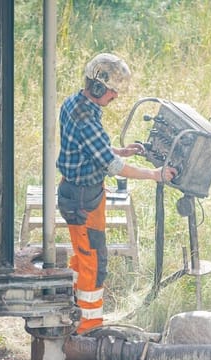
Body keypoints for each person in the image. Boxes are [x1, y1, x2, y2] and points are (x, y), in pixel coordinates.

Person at [57, 52, 177, 334]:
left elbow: (92, 148)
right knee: (93, 266)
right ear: (98, 87)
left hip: (81, 193)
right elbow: (113, 166)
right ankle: (87, 332)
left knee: (82, 259)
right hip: (82, 199)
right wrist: (154, 174)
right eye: (112, 91)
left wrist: (120, 150)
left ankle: (74, 319)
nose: (115, 97)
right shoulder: (85, 117)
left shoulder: (75, 103)